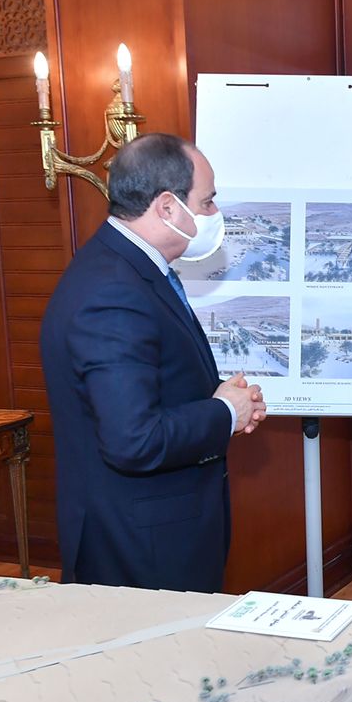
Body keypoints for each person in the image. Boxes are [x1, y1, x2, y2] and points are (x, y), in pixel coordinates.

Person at [40, 132, 266, 593]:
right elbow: (133, 440)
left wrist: (223, 399)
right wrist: (225, 412)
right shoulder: (112, 292)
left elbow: (151, 380)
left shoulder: (129, 269)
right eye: (206, 202)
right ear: (167, 207)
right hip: (138, 547)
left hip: (159, 531)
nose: (215, 214)